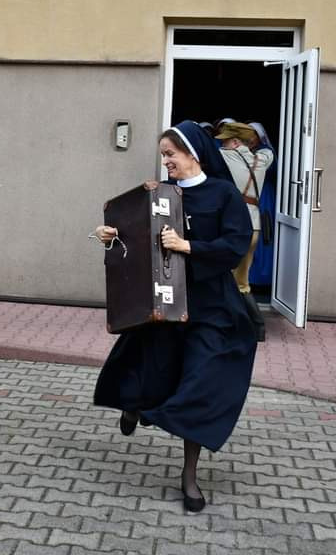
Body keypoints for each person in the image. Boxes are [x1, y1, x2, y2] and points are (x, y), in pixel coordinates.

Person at [93, 120, 257, 513]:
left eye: (170, 154)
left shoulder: (223, 194)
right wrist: (110, 235)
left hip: (211, 305)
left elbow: (235, 245)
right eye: (163, 155)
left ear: (193, 154)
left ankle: (189, 475)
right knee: (152, 364)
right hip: (166, 302)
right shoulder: (160, 194)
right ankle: (134, 404)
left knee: (201, 383)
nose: (165, 161)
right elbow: (135, 237)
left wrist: (188, 246)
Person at [215, 121, 274, 333]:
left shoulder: (225, 156)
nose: (221, 144)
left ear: (235, 142)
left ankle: (228, 326)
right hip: (254, 227)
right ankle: (257, 327)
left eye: (225, 141)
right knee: (241, 281)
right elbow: (268, 148)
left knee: (221, 277)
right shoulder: (263, 158)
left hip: (235, 226)